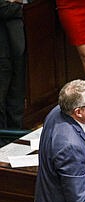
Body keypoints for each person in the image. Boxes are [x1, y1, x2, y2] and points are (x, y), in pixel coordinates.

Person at [0, 0, 30, 140]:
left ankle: (15, 139)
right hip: (2, 49)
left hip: (17, 44)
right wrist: (19, 5)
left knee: (16, 97)